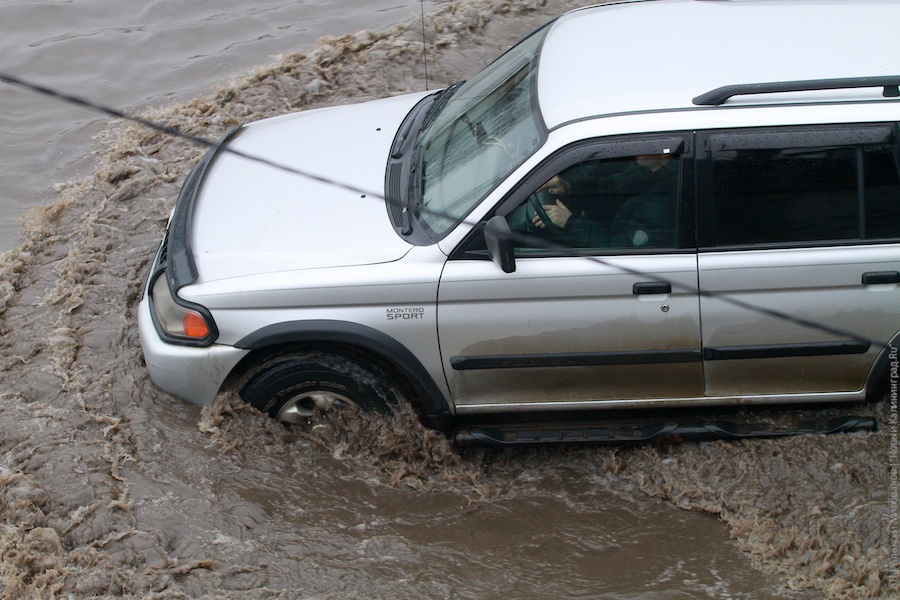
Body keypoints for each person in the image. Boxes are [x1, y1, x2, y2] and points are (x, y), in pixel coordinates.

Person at [525, 153, 679, 248]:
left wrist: (571, 222)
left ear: (664, 154)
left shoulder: (661, 205)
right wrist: (568, 187)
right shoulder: (647, 172)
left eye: (647, 147)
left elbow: (619, 246)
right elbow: (612, 186)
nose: (637, 150)